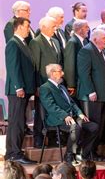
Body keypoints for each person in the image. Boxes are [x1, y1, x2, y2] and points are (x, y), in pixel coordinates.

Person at [40, 64, 99, 164]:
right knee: (75, 127)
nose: (62, 73)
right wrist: (65, 116)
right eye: (60, 71)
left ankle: (82, 153)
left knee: (94, 127)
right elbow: (51, 106)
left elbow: (71, 103)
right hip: (57, 119)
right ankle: (69, 154)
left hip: (72, 117)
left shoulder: (62, 87)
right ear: (52, 74)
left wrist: (80, 113)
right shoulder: (45, 88)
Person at [4, 17, 37, 164]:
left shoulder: (22, 43)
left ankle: (12, 152)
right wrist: (18, 86)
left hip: (23, 88)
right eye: (27, 27)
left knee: (17, 121)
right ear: (18, 27)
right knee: (16, 122)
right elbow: (13, 67)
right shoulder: (13, 43)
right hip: (17, 89)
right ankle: (15, 153)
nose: (29, 30)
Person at [76, 28, 105, 160]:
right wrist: (91, 91)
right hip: (91, 96)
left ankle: (93, 151)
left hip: (103, 95)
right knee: (92, 126)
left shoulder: (103, 50)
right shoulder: (86, 51)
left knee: (100, 126)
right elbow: (84, 74)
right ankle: (86, 153)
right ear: (95, 39)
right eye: (104, 38)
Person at [30, 16, 63, 147]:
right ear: (43, 27)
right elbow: (36, 66)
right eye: (52, 27)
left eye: (55, 26)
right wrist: (37, 86)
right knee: (41, 111)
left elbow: (59, 61)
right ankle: (38, 138)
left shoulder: (55, 41)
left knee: (54, 110)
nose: (55, 29)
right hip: (43, 83)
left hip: (56, 83)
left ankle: (54, 137)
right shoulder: (36, 42)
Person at [63, 19, 89, 96]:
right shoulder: (72, 42)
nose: (88, 29)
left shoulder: (85, 41)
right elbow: (70, 64)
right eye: (86, 27)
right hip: (76, 83)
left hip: (84, 81)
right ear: (80, 29)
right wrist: (71, 84)